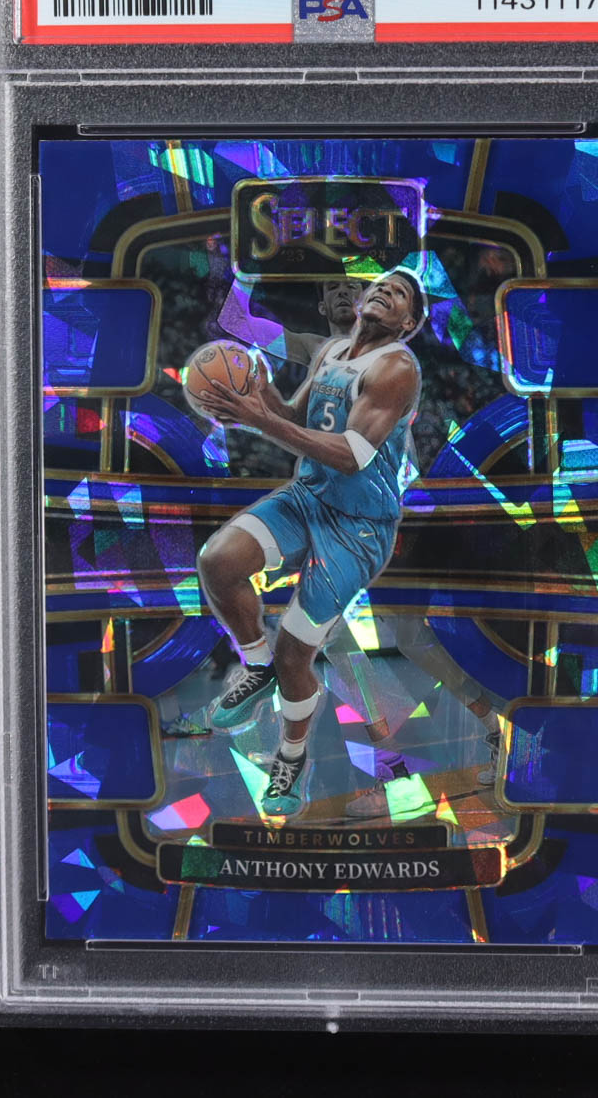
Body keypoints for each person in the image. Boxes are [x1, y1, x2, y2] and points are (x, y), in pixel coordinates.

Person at [196, 269, 426, 819]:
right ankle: (256, 667)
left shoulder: (396, 367)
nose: (379, 290)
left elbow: (351, 455)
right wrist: (257, 393)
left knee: (303, 656)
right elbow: (292, 416)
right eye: (378, 285)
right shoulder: (328, 350)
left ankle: (295, 760)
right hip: (308, 496)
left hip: (359, 525)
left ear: (408, 323)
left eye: (397, 292)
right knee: (218, 562)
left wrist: (261, 420)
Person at [217, 277, 363, 365]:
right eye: (333, 287)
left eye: (351, 286)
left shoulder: (378, 347)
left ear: (366, 301)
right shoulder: (313, 347)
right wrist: (249, 267)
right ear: (322, 308)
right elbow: (234, 320)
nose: (342, 292)